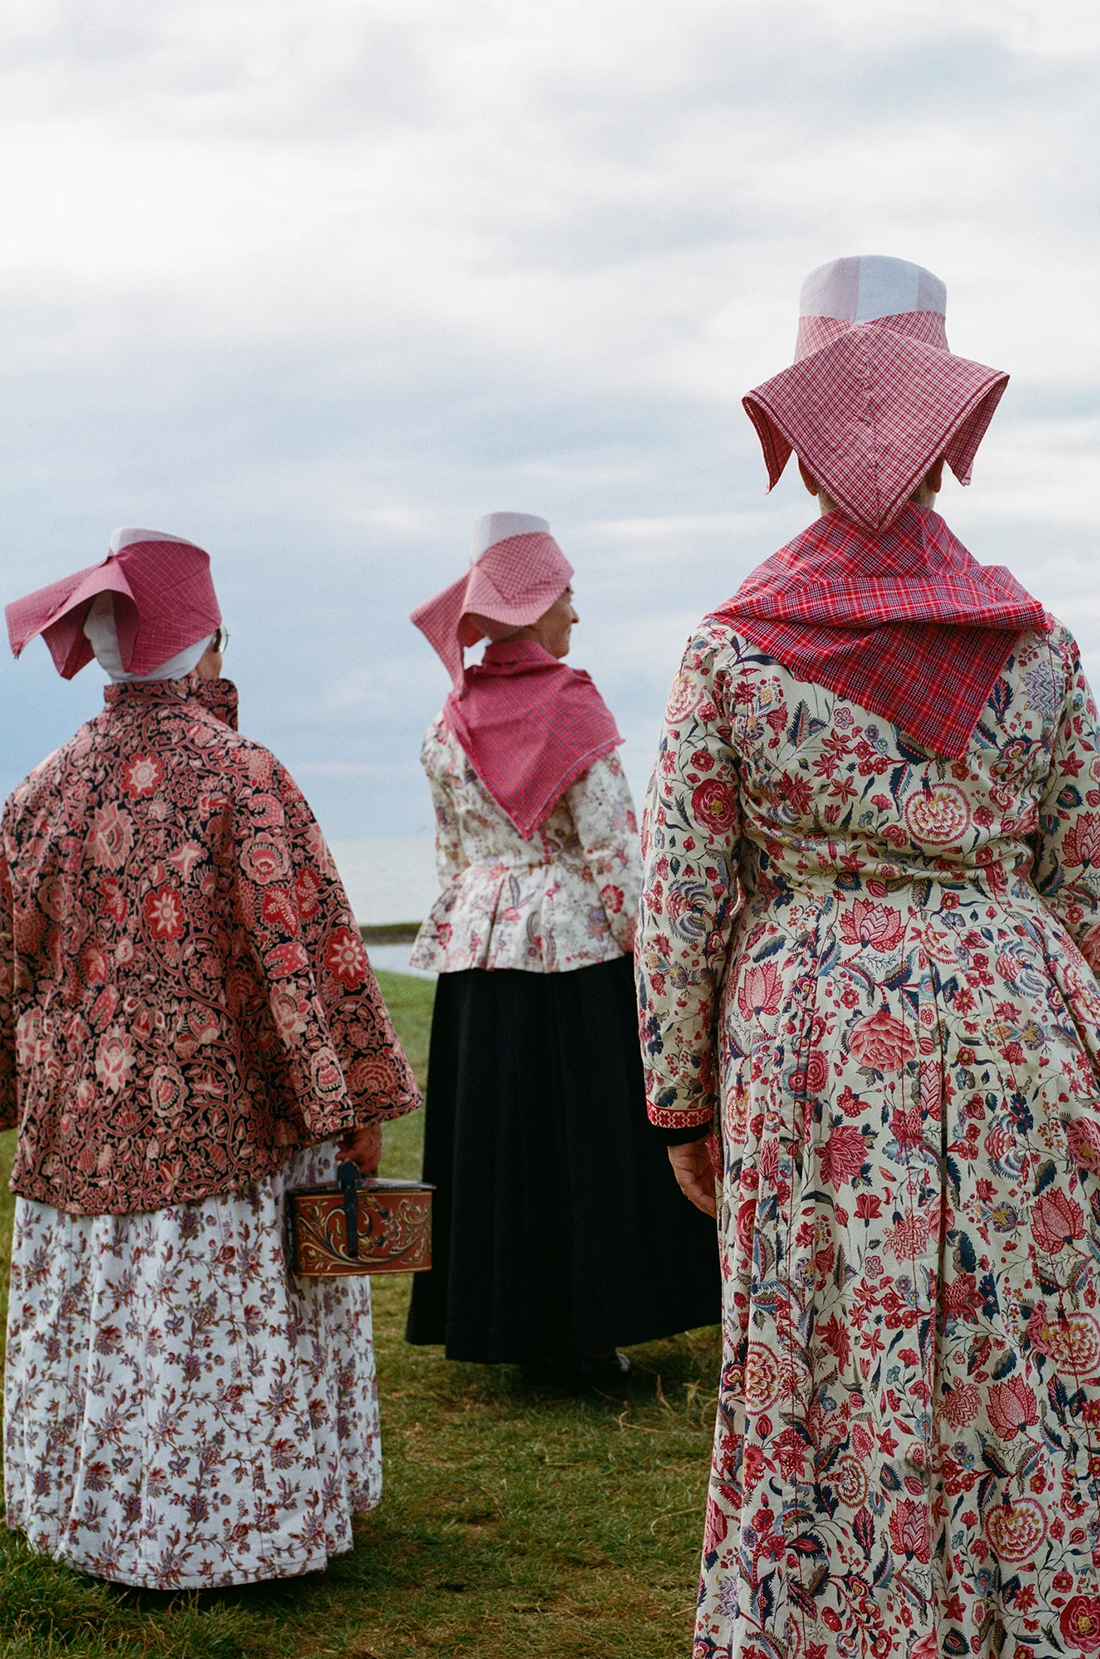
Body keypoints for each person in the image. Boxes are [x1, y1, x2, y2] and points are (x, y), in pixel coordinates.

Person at [637, 256, 1100, 1657]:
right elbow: (1082, 874)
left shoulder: (732, 653)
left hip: (815, 1038)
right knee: (1022, 1342)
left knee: (822, 1346)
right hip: (1022, 1022)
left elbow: (683, 896)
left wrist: (679, 1095)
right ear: (950, 433)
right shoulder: (1037, 647)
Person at [0, 527, 420, 1590]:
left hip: (84, 1139)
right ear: (204, 644)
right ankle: (250, 1533)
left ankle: (91, 1520)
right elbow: (307, 951)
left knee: (121, 1330)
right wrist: (350, 1098)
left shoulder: (41, 790)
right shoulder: (243, 778)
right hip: (230, 1136)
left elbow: (11, 961)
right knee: (214, 1333)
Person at [405, 511, 720, 1382]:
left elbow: (453, 854)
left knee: (495, 1141)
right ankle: (588, 1324)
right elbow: (617, 854)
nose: (575, 616)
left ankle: (503, 1320)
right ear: (537, 605)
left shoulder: (449, 721)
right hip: (574, 958)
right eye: (567, 596)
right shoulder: (571, 706)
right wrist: (653, 957)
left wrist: (473, 922)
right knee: (581, 1142)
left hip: (477, 959)